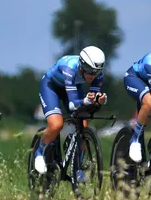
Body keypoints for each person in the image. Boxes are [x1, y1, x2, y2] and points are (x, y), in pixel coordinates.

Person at [33, 46, 108, 179]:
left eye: (96, 72)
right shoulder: (70, 68)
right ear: (81, 65)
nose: (92, 75)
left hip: (73, 87)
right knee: (56, 125)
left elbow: (91, 100)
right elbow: (73, 104)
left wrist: (99, 100)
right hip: (51, 87)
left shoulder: (97, 74)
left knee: (83, 124)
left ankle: (77, 165)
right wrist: (86, 100)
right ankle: (39, 152)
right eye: (89, 71)